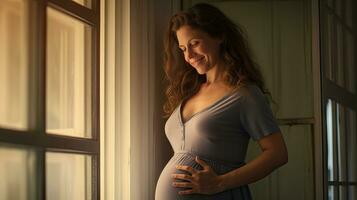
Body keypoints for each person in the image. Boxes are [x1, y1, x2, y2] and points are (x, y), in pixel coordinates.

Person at [155, 3, 288, 200]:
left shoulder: (244, 95)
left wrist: (220, 182)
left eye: (194, 43)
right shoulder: (191, 92)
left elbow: (277, 154)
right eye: (183, 48)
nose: (189, 56)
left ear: (219, 36)